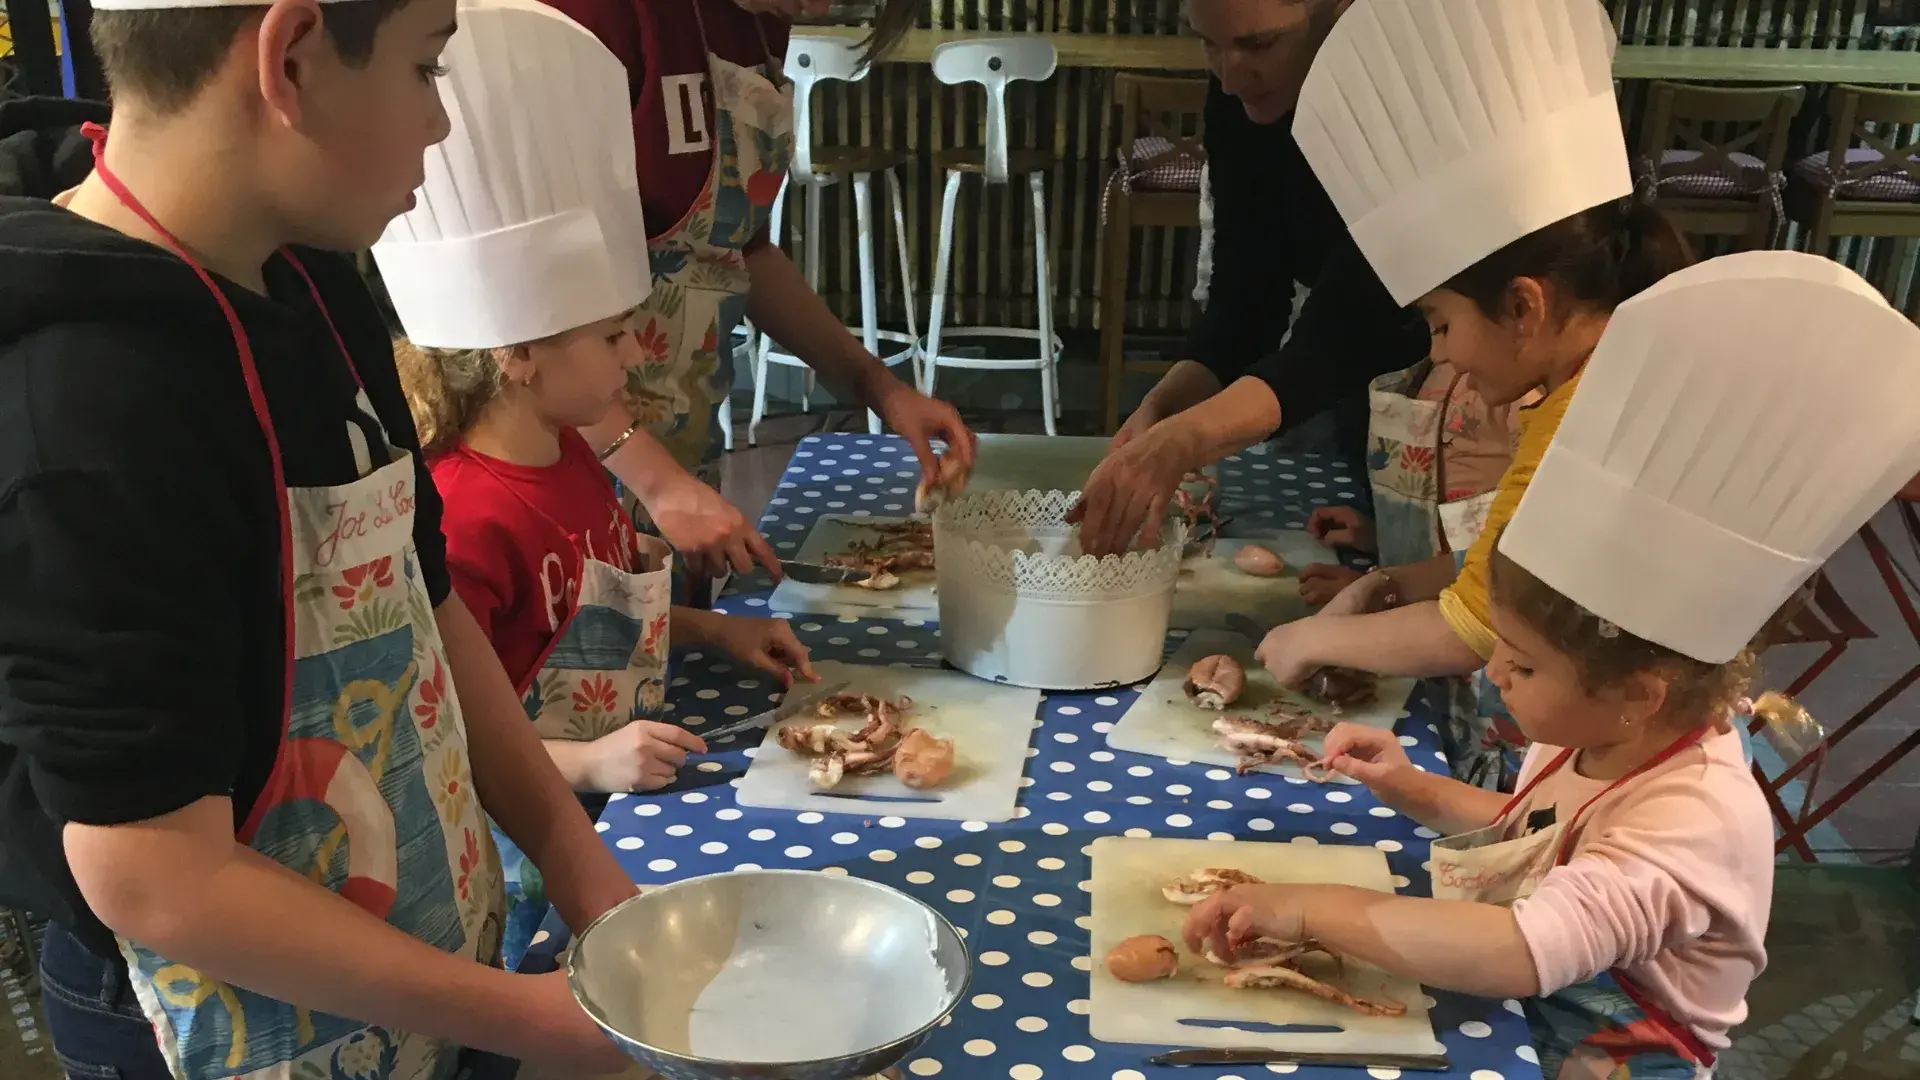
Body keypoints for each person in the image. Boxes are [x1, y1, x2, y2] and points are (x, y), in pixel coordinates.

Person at [0, 0, 636, 1076]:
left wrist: (586, 877)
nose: (440, 127)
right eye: (428, 70)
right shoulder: (88, 411)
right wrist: (536, 1023)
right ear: (292, 58)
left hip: (426, 967)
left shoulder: (313, 274)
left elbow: (425, 604)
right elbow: (155, 873)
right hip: (208, 1021)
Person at [1185, 248, 1920, 1077]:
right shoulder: (1606, 731)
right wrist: (1411, 786)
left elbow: (1520, 947)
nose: (1493, 676)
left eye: (1523, 668)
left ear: (1641, 692)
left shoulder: (1690, 821)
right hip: (1537, 1020)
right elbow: (1537, 837)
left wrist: (1312, 909)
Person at [374, 3, 816, 968]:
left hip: (622, 792)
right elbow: (449, 736)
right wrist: (586, 763)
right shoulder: (464, 518)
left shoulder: (574, 457)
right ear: (522, 353)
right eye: (614, 336)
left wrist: (714, 632)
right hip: (537, 858)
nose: (637, 354)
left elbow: (593, 609)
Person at [1248, 0, 1694, 790]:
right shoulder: (1584, 384)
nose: (1437, 350)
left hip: (1616, 764)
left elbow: (1477, 626)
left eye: (1441, 322)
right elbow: (1502, 568)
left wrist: (1311, 641)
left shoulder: (1580, 416)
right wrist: (1384, 583)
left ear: (1523, 306)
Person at [529, 0, 975, 598]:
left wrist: (877, 386)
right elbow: (527, 310)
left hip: (681, 452)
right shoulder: (595, 16)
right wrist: (656, 482)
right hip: (572, 462)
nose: (826, 9)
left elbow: (737, 249)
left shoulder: (763, 21)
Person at [1071, 0, 1435, 557]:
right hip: (1371, 398)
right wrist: (1163, 411)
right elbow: (1247, 298)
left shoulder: (1407, 94)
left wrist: (1186, 439)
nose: (1232, 76)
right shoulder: (1237, 98)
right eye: (1208, 43)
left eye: (1261, 44)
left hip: (1466, 396)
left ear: (1339, 11)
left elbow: (1360, 323)